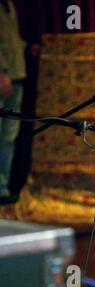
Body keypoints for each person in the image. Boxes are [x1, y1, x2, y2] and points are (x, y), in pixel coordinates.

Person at [0, 0, 26, 204]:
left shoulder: (10, 4)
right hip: (4, 75)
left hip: (16, 74)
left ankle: (3, 186)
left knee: (9, 135)